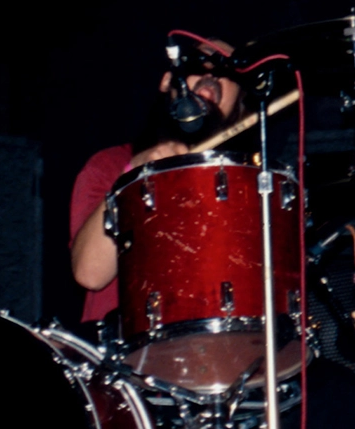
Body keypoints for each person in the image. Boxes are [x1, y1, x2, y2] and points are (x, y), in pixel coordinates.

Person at [68, 37, 246, 325]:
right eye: (201, 60)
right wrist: (135, 174)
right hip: (124, 347)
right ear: (166, 81)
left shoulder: (245, 187)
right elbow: (90, 273)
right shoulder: (110, 165)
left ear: (237, 107)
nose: (213, 72)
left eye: (228, 69)